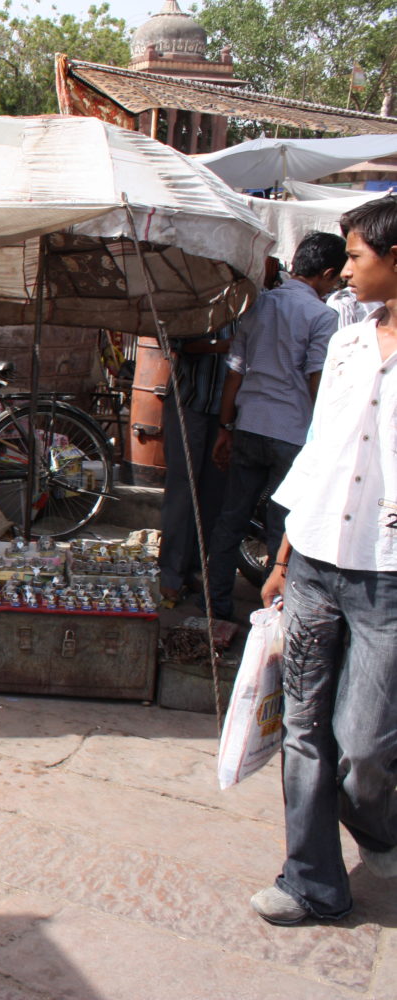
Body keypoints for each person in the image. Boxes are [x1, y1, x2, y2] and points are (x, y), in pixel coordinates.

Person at [250, 194, 397, 926]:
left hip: (387, 576)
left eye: (359, 258)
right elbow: (320, 455)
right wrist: (281, 558)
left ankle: (379, 828)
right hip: (313, 561)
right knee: (303, 728)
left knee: (365, 747)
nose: (345, 272)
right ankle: (312, 879)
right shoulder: (344, 342)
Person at [203, 233, 345, 620]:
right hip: (293, 434)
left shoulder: (260, 306)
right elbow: (317, 380)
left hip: (249, 426)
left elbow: (234, 373)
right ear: (328, 273)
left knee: (231, 518)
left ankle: (215, 605)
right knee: (282, 529)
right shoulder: (322, 316)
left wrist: (225, 427)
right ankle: (272, 615)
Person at [156, 332, 230, 606]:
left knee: (213, 494)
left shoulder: (251, 306)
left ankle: (192, 569)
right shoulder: (203, 303)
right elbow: (174, 342)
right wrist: (222, 346)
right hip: (190, 402)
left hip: (227, 410)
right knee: (182, 492)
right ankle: (170, 574)